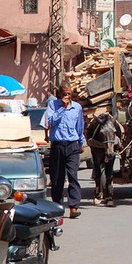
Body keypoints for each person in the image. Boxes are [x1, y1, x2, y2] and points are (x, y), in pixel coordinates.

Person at [42, 82, 85, 219]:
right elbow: (50, 122)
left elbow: (80, 126)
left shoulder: (77, 107)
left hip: (72, 145)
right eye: (64, 94)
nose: (67, 96)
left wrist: (81, 142)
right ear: (59, 95)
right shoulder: (53, 106)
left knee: (73, 175)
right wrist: (62, 109)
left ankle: (74, 207)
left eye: (69, 94)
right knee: (57, 178)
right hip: (58, 145)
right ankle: (58, 208)